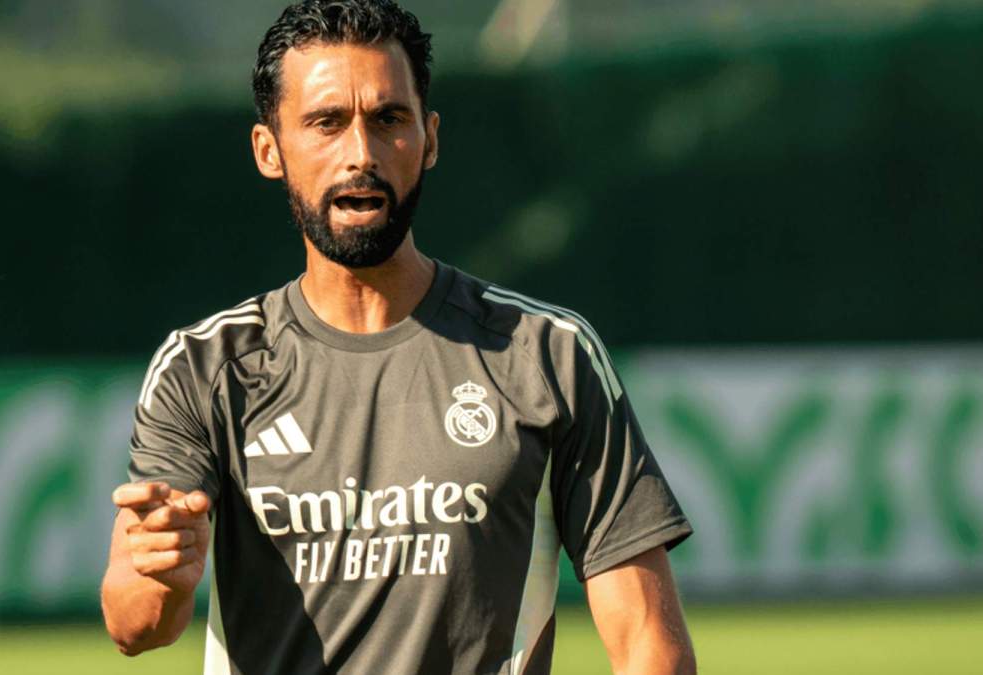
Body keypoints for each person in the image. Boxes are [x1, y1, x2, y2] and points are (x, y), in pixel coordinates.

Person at [100, 1, 695, 672]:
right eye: (325, 123)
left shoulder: (546, 354)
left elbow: (648, 636)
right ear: (270, 150)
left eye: (388, 120)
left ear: (430, 139)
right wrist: (162, 575)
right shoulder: (205, 366)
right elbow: (134, 621)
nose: (361, 153)